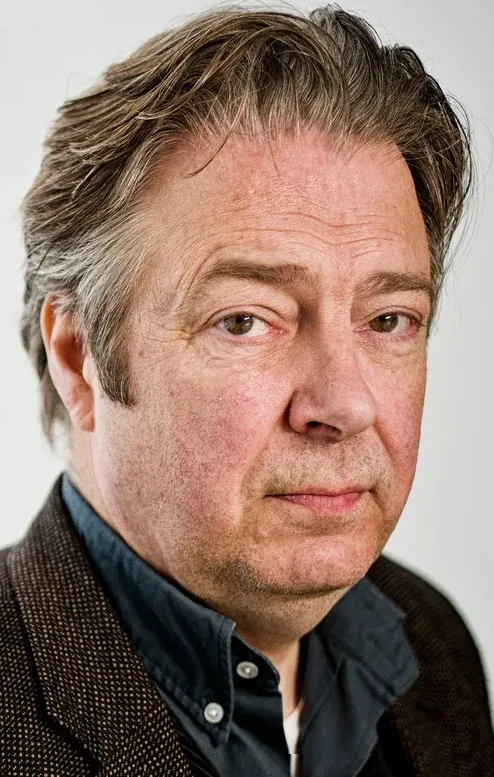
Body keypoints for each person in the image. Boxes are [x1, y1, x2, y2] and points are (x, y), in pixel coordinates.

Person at [1, 3, 493, 775]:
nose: (344, 404)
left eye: (388, 318)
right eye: (245, 321)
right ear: (79, 355)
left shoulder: (432, 642)